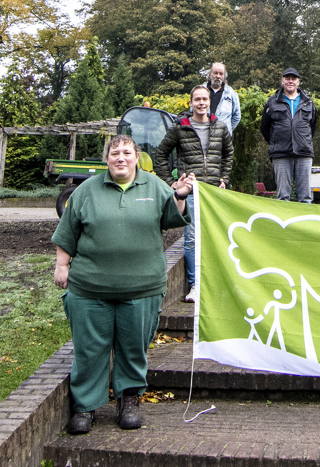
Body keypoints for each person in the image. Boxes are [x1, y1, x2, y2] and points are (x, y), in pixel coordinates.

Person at [52, 135, 194, 434]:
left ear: (136, 157)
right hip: (90, 289)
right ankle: (86, 407)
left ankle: (129, 400)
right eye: (114, 153)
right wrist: (62, 266)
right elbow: (68, 231)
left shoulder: (155, 186)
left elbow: (173, 218)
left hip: (141, 289)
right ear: (106, 159)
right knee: (90, 349)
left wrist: (180, 195)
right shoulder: (86, 191)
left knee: (133, 348)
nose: (120, 158)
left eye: (126, 153)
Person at [155, 85, 235, 303]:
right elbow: (160, 155)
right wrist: (171, 183)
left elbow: (229, 154)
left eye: (205, 99)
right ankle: (196, 285)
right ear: (191, 103)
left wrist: (224, 179)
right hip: (191, 191)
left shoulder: (219, 126)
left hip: (214, 193)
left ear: (210, 102)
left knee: (217, 238)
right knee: (191, 240)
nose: (201, 103)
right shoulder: (180, 128)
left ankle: (217, 284)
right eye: (197, 99)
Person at [260, 68, 318, 203]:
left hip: (304, 153)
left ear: (298, 82)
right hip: (280, 153)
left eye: (293, 79)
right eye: (287, 78)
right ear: (282, 81)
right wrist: (277, 141)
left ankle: (305, 223)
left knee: (305, 196)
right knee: (282, 196)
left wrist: (302, 141)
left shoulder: (308, 102)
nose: (290, 81)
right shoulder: (272, 102)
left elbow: (312, 127)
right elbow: (265, 128)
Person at [205, 62, 241, 136]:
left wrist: (226, 130)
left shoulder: (231, 94)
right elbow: (193, 113)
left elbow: (237, 117)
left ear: (224, 76)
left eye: (221, 74)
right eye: (215, 73)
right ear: (210, 74)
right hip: (203, 135)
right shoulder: (200, 91)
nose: (218, 76)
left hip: (223, 139)